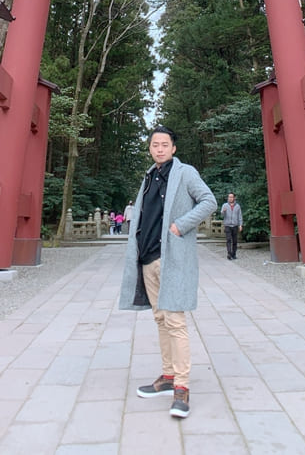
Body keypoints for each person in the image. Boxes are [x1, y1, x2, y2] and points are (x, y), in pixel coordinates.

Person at [119, 125, 216, 419]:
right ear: (150, 148)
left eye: (165, 144)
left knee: (175, 320)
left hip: (170, 257)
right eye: (155, 145)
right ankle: (168, 375)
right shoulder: (149, 176)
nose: (159, 149)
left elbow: (209, 201)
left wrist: (179, 226)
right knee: (160, 319)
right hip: (148, 258)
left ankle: (182, 387)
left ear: (173, 148)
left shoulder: (185, 173)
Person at [221, 192, 243, 260]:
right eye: (229, 197)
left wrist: (240, 225)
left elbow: (240, 216)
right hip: (227, 225)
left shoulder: (237, 206)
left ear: (234, 198)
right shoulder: (225, 205)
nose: (230, 198)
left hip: (235, 225)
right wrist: (223, 212)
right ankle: (229, 253)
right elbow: (222, 215)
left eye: (231, 197)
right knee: (228, 240)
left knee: (235, 241)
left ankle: (234, 254)